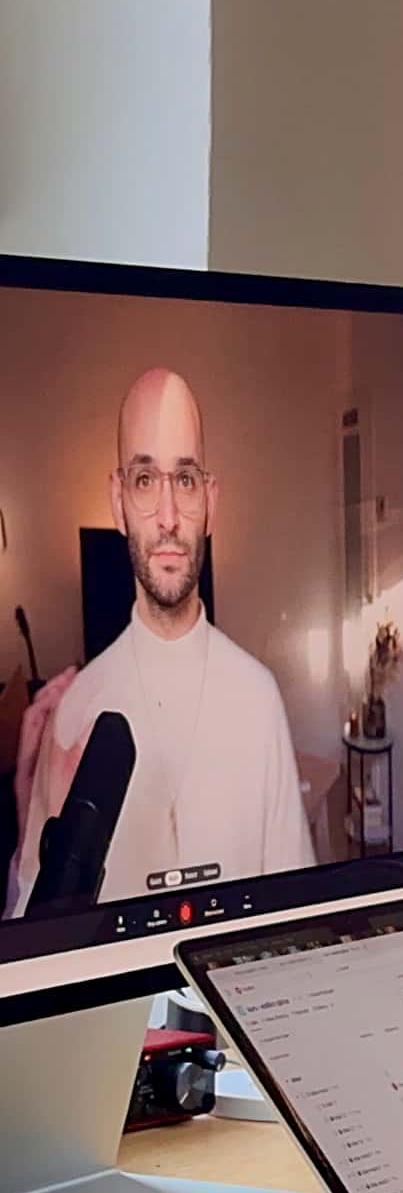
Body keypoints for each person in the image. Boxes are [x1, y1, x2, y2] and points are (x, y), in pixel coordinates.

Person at [5, 368, 314, 918]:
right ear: (117, 498)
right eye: (145, 481)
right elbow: (33, 937)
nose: (168, 518)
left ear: (211, 502)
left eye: (186, 479)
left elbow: (296, 915)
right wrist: (31, 807)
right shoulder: (76, 709)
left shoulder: (258, 697)